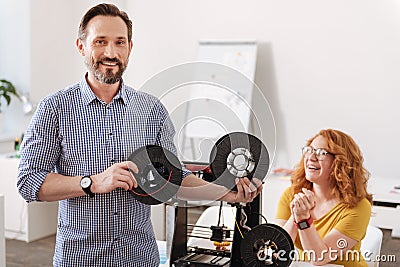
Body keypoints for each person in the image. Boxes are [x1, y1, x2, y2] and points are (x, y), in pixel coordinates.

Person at [17, 3, 262, 266]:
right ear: (81, 46)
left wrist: (225, 193)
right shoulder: (54, 107)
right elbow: (29, 182)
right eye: (100, 41)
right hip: (79, 258)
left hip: (139, 257)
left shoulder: (152, 110)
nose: (111, 52)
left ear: (129, 48)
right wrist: (92, 183)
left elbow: (175, 179)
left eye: (119, 42)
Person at [275, 129, 372, 267]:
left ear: (341, 163)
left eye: (321, 152)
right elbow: (278, 250)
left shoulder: (359, 206)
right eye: (309, 150)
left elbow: (320, 258)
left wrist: (303, 219)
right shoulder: (291, 195)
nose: (311, 157)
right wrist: (296, 215)